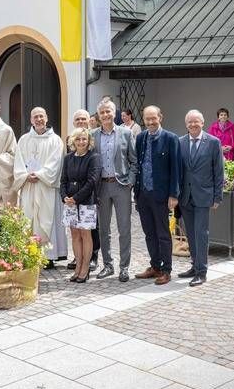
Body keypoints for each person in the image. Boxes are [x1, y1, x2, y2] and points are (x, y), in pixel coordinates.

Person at [13, 107, 67, 269]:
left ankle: (48, 256)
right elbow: (18, 161)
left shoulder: (56, 140)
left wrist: (40, 174)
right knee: (29, 219)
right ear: (31, 120)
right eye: (35, 117)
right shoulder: (23, 140)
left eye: (41, 116)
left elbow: (56, 163)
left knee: (47, 218)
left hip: (46, 187)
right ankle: (30, 253)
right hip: (29, 186)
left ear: (47, 118)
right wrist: (24, 175)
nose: (38, 119)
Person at [133, 106, 181, 286]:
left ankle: (166, 270)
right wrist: (136, 194)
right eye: (147, 119)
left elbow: (176, 169)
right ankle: (155, 266)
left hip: (161, 195)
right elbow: (138, 164)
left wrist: (173, 195)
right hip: (143, 194)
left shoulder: (170, 138)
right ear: (143, 120)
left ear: (160, 117)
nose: (151, 122)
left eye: (154, 118)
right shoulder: (140, 138)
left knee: (163, 234)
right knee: (149, 233)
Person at [91, 99, 138, 282]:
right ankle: (108, 265)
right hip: (101, 186)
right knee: (103, 229)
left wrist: (130, 182)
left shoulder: (126, 133)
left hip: (121, 185)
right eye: (102, 112)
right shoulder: (92, 135)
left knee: (124, 228)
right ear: (98, 115)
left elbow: (134, 161)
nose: (105, 115)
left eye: (108, 111)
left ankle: (124, 267)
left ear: (114, 113)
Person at [179, 109, 224, 286]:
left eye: (196, 121)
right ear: (186, 124)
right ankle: (194, 265)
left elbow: (219, 171)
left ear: (203, 122)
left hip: (204, 196)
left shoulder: (213, 142)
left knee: (201, 234)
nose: (193, 124)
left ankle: (202, 271)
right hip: (185, 197)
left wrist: (217, 197)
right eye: (189, 122)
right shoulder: (180, 142)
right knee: (190, 233)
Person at [60, 127, 101, 283]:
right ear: (73, 141)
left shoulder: (94, 157)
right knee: (75, 235)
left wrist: (76, 198)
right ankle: (77, 266)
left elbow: (92, 182)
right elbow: (63, 180)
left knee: (85, 234)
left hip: (86, 202)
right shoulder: (68, 158)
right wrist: (65, 197)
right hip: (69, 202)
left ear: (89, 141)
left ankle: (85, 268)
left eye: (84, 139)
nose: (81, 142)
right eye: (78, 139)